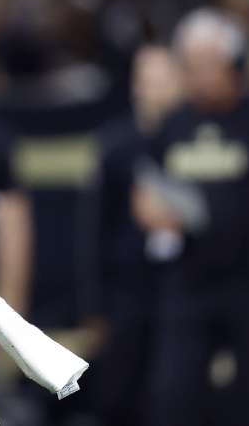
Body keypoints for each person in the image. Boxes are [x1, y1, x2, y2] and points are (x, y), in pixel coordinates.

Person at [133, 10, 249, 426]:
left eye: (208, 65)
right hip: (188, 279)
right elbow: (144, 194)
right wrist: (163, 214)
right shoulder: (174, 122)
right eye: (190, 66)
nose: (198, 76)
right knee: (173, 394)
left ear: (232, 63)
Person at [89, 45, 183, 426]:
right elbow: (95, 228)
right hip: (126, 287)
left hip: (182, 286)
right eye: (147, 81)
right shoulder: (115, 147)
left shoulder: (194, 139)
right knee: (121, 388)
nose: (154, 90)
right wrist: (95, 305)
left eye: (163, 80)